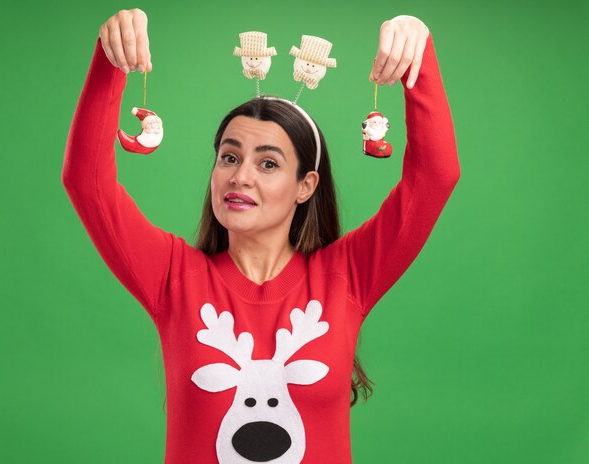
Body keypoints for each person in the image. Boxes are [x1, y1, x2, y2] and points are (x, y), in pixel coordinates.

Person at [62, 8, 460, 464]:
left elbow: (435, 177)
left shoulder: (347, 276)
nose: (240, 177)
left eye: (268, 163)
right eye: (229, 158)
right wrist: (112, 61)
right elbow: (86, 182)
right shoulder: (173, 276)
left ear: (305, 186)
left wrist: (418, 54)